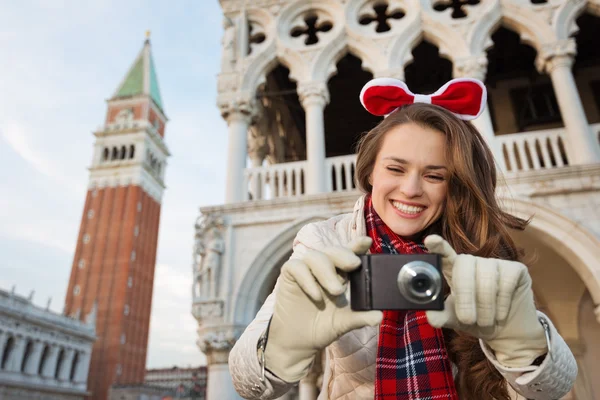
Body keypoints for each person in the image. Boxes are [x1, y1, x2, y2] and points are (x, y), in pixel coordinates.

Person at [228, 78, 577, 400]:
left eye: (434, 175)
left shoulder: (478, 246)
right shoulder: (324, 240)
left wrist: (524, 344)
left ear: (454, 184)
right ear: (370, 171)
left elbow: (554, 388)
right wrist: (282, 346)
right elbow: (248, 383)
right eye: (395, 169)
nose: (411, 190)